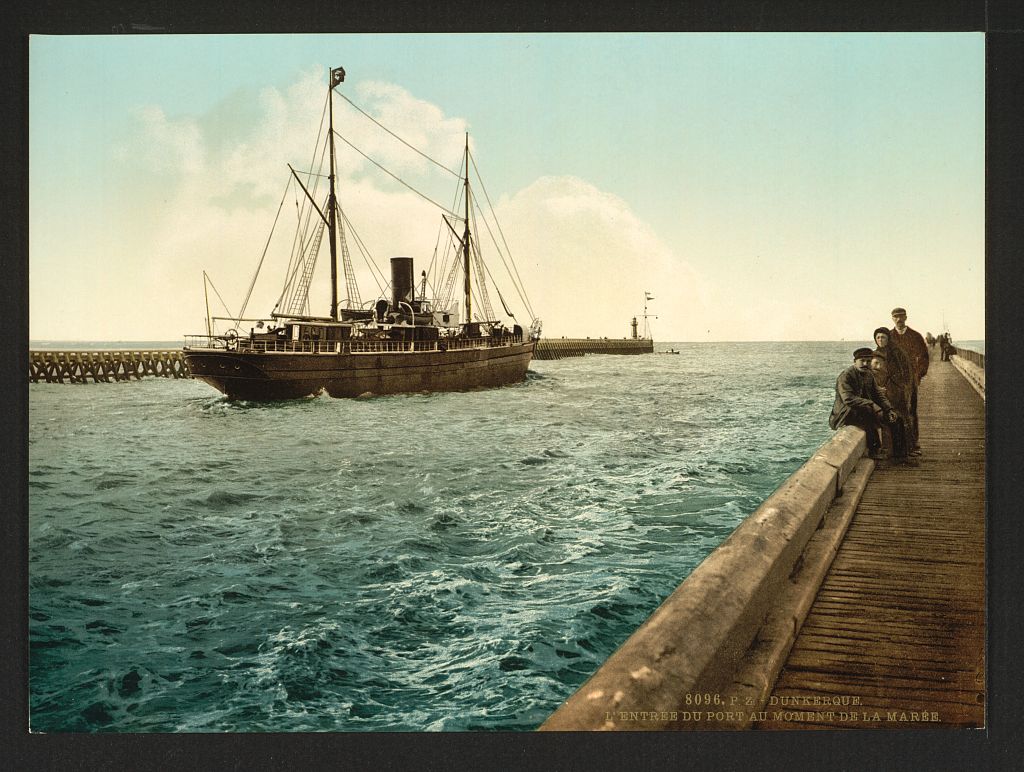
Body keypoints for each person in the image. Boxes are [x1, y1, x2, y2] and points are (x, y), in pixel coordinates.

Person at [829, 347, 897, 459]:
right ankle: (874, 450)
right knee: (868, 413)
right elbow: (848, 399)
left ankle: (895, 453)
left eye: (868, 361)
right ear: (854, 362)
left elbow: (878, 395)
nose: (865, 364)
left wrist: (889, 409)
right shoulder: (846, 376)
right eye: (862, 361)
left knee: (893, 417)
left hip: (862, 409)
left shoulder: (869, 375)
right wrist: (871, 404)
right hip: (845, 413)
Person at [888, 307, 928, 456]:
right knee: (896, 411)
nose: (898, 319)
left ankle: (914, 442)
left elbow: (924, 356)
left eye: (901, 316)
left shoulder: (915, 336)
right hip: (894, 381)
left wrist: (919, 374)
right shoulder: (889, 336)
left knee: (911, 411)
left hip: (910, 380)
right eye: (895, 317)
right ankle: (899, 446)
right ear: (892, 319)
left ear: (906, 317)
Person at [870, 347, 915, 466]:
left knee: (898, 419)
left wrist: (889, 408)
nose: (878, 367)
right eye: (875, 363)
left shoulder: (881, 375)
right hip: (869, 410)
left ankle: (900, 456)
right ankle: (897, 456)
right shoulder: (868, 376)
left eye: (880, 364)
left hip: (879, 408)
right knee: (894, 421)